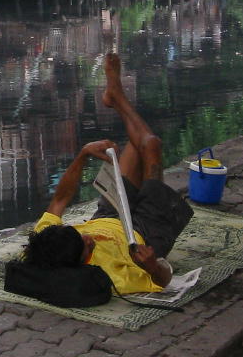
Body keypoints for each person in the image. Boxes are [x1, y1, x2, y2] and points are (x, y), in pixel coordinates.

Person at [25, 53, 193, 294]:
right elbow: (164, 281)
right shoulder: (112, 276)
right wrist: (152, 266)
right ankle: (117, 97)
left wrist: (82, 155)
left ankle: (115, 96)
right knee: (151, 144)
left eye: (81, 236)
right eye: (87, 248)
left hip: (110, 212)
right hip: (143, 233)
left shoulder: (47, 243)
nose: (90, 238)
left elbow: (60, 199)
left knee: (136, 146)